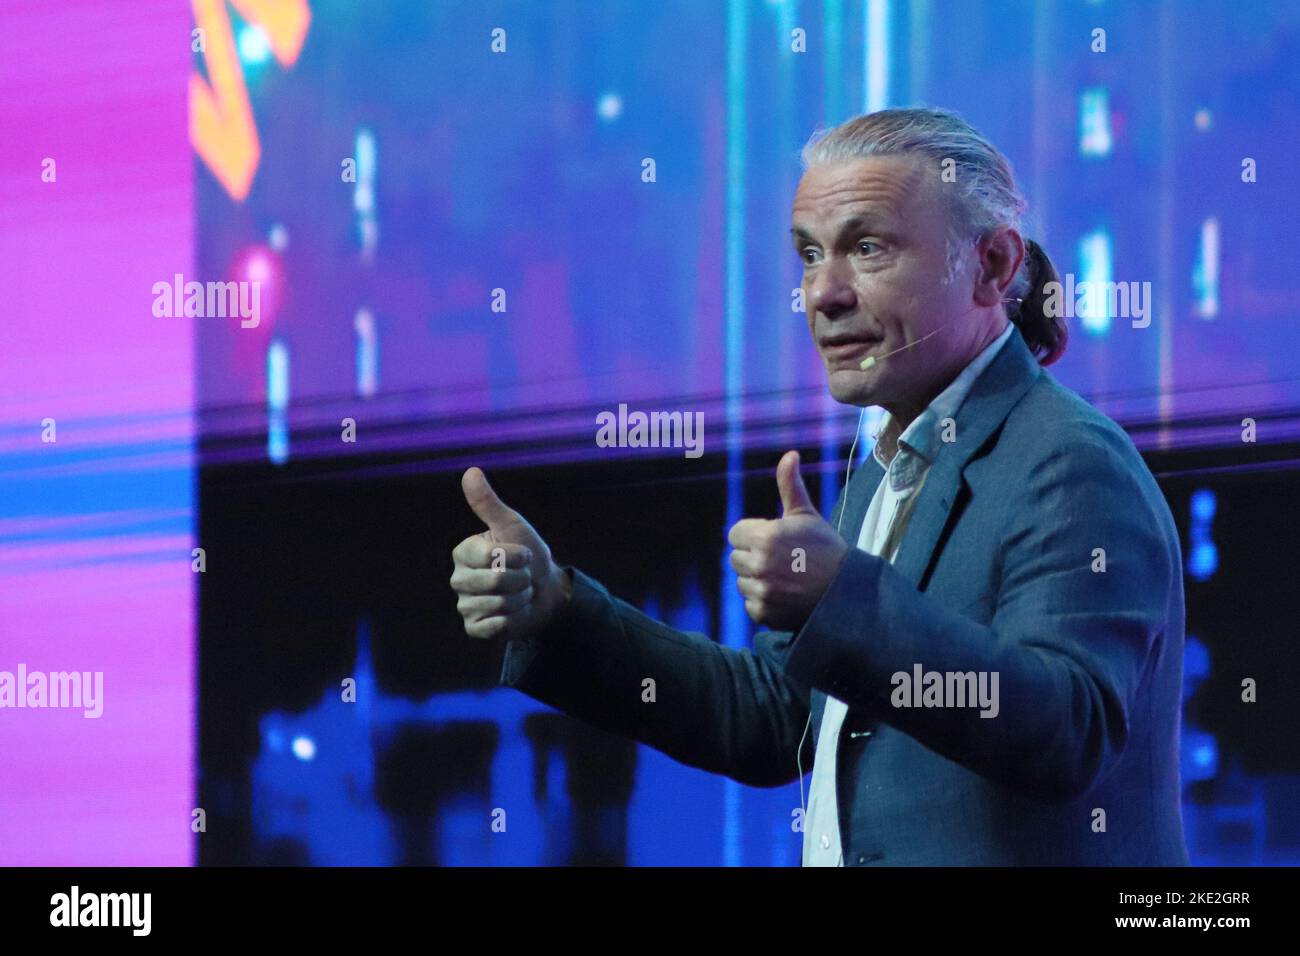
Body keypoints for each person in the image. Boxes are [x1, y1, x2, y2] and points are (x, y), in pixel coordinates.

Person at [449, 107, 1189, 866]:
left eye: (867, 248)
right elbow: (778, 717)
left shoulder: (1068, 460)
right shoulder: (891, 461)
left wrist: (843, 599)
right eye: (809, 255)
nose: (821, 294)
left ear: (992, 266)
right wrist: (558, 612)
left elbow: (1068, 731)